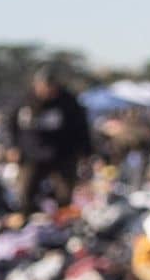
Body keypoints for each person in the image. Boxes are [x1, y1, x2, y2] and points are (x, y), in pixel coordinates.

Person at [11, 69, 90, 212]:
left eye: (51, 86)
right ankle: (27, 218)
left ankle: (63, 223)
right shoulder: (25, 101)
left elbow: (81, 128)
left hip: (61, 154)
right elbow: (11, 125)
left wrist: (85, 151)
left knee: (64, 193)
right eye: (43, 86)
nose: (47, 90)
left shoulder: (68, 102)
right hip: (32, 155)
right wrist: (12, 147)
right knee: (25, 193)